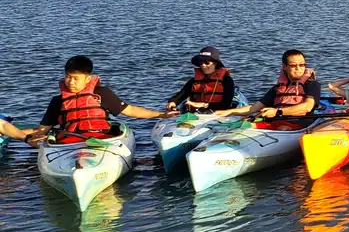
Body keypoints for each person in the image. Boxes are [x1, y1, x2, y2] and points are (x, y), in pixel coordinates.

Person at [27, 55, 172, 147]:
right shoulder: (58, 101)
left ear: (88, 78)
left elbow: (130, 110)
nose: (71, 82)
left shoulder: (101, 93)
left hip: (101, 139)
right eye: (68, 77)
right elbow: (43, 129)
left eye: (76, 78)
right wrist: (29, 137)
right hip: (68, 142)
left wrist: (160, 115)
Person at [215, 49, 320, 119]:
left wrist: (277, 112)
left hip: (300, 122)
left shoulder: (311, 84)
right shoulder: (278, 88)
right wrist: (228, 112)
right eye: (293, 66)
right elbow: (254, 108)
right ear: (284, 67)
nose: (299, 69)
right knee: (245, 123)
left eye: (302, 65)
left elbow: (307, 107)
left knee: (283, 128)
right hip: (277, 121)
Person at [166, 46, 236, 113]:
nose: (203, 65)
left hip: (219, 113)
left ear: (215, 64)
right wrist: (173, 101)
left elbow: (226, 104)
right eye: (200, 62)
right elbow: (182, 94)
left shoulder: (227, 80)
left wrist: (203, 105)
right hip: (197, 113)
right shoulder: (194, 80)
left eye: (206, 62)